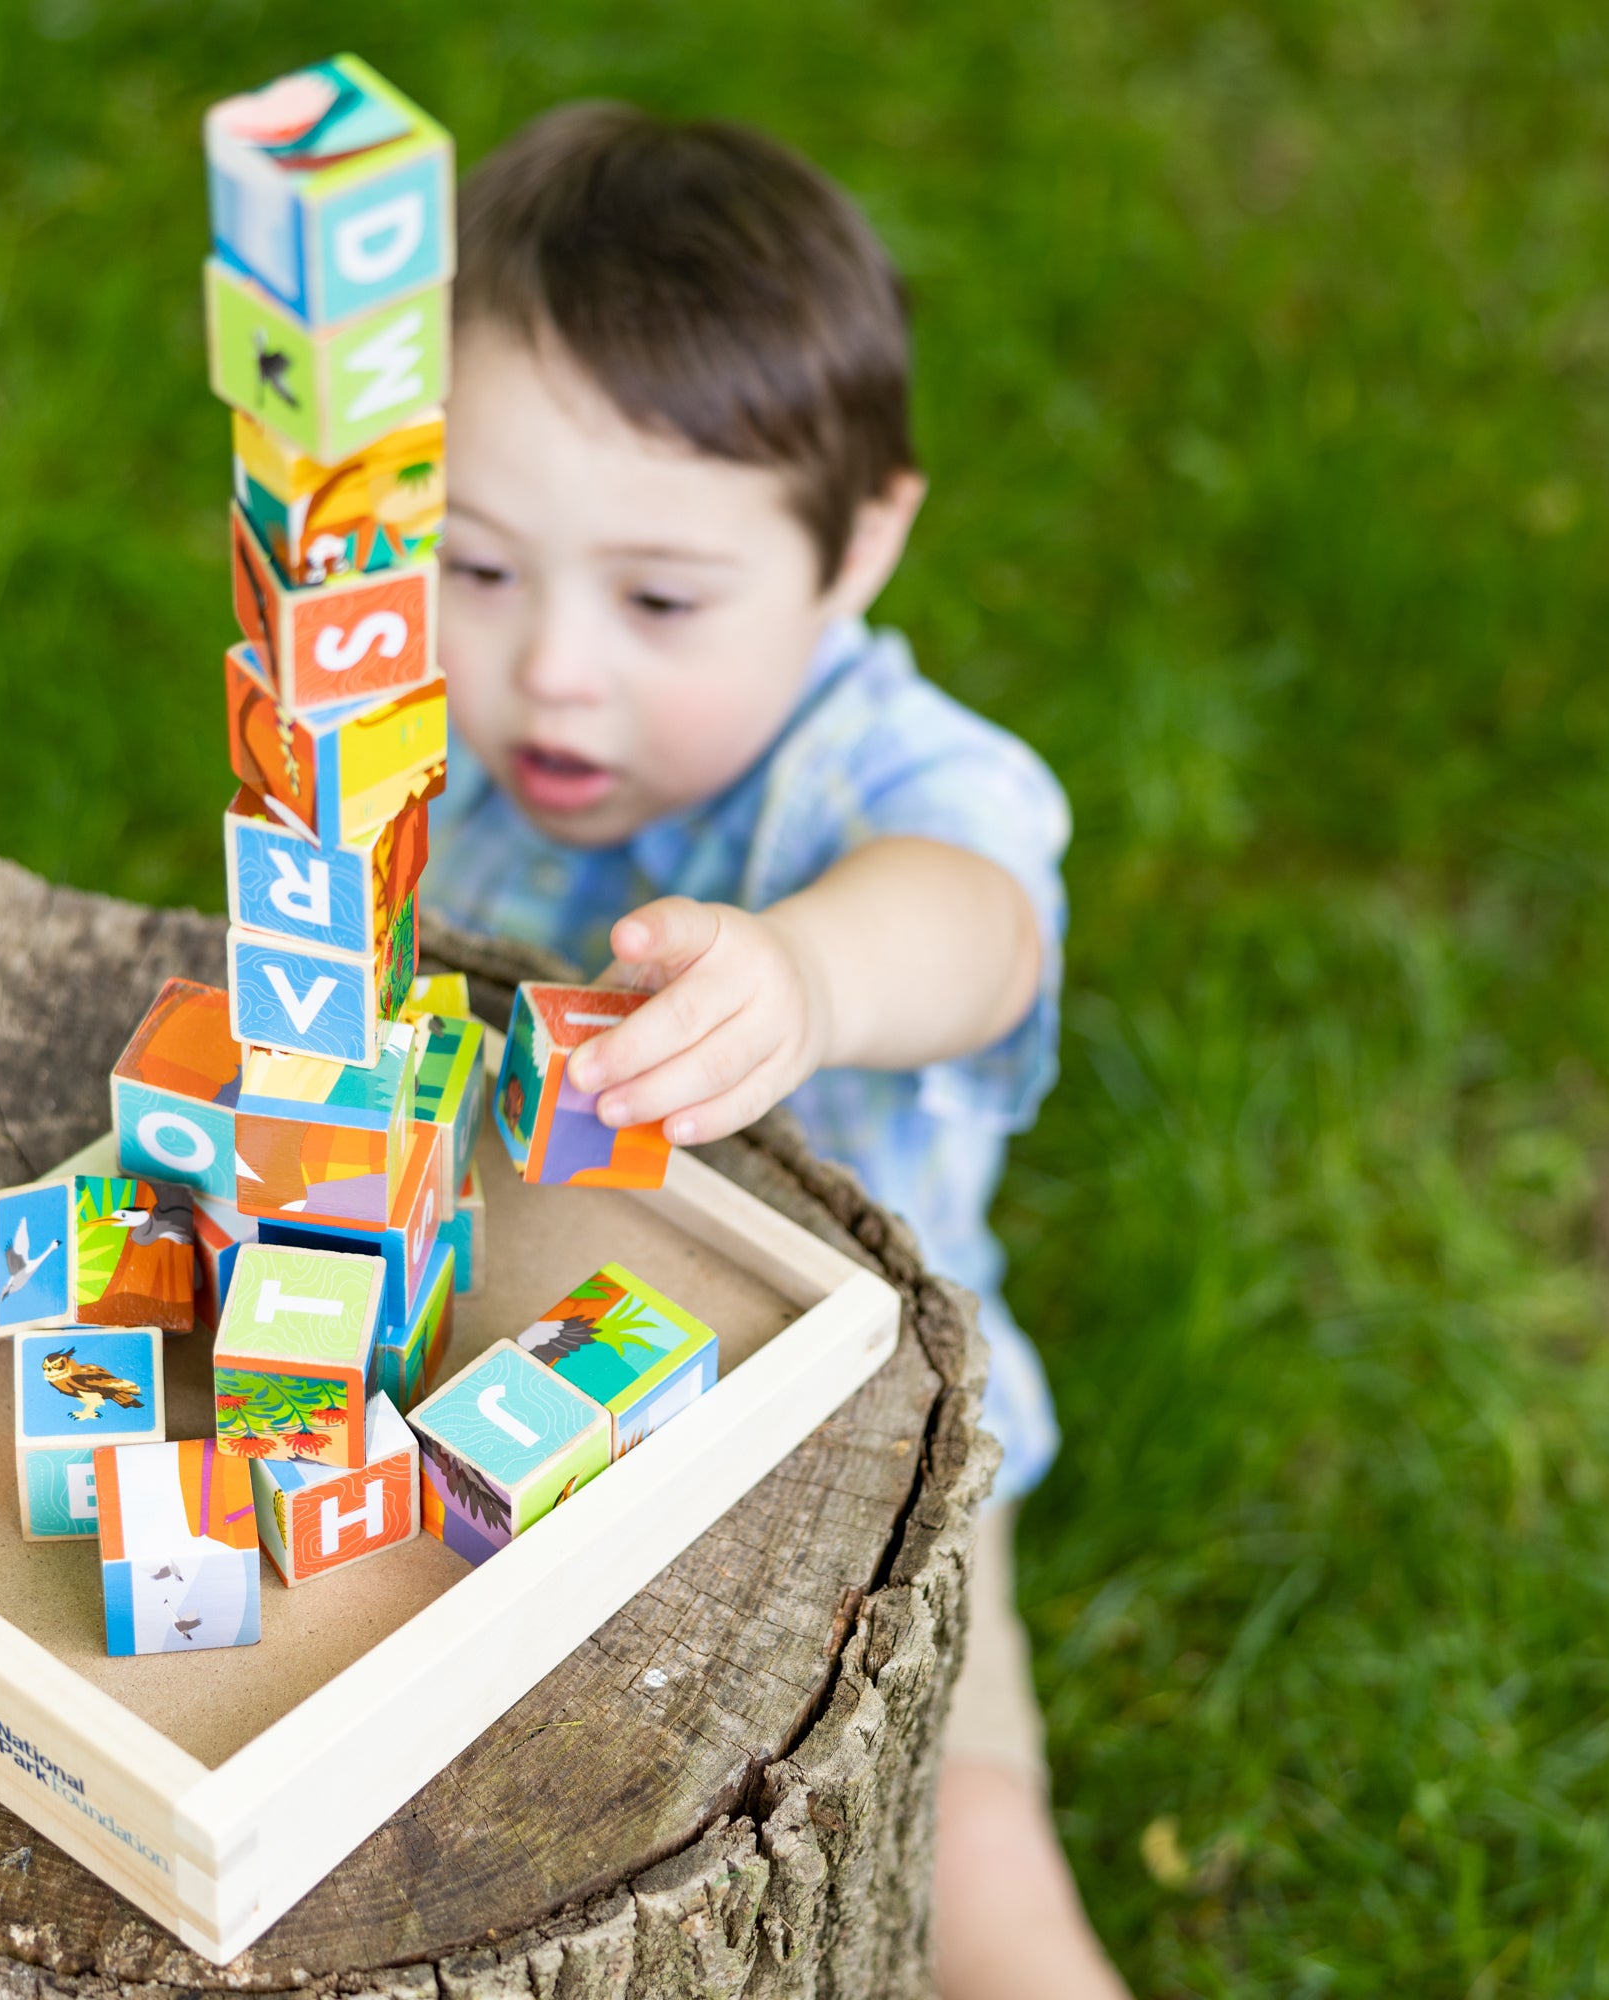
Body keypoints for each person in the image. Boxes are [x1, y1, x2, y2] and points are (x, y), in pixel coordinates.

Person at [423, 101, 1129, 2000]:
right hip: (501, 1384)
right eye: (473, 566)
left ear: (859, 543)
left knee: (966, 1835)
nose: (553, 668)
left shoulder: (876, 776)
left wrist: (809, 976)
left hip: (853, 1445)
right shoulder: (450, 749)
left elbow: (979, 925)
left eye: (659, 599)